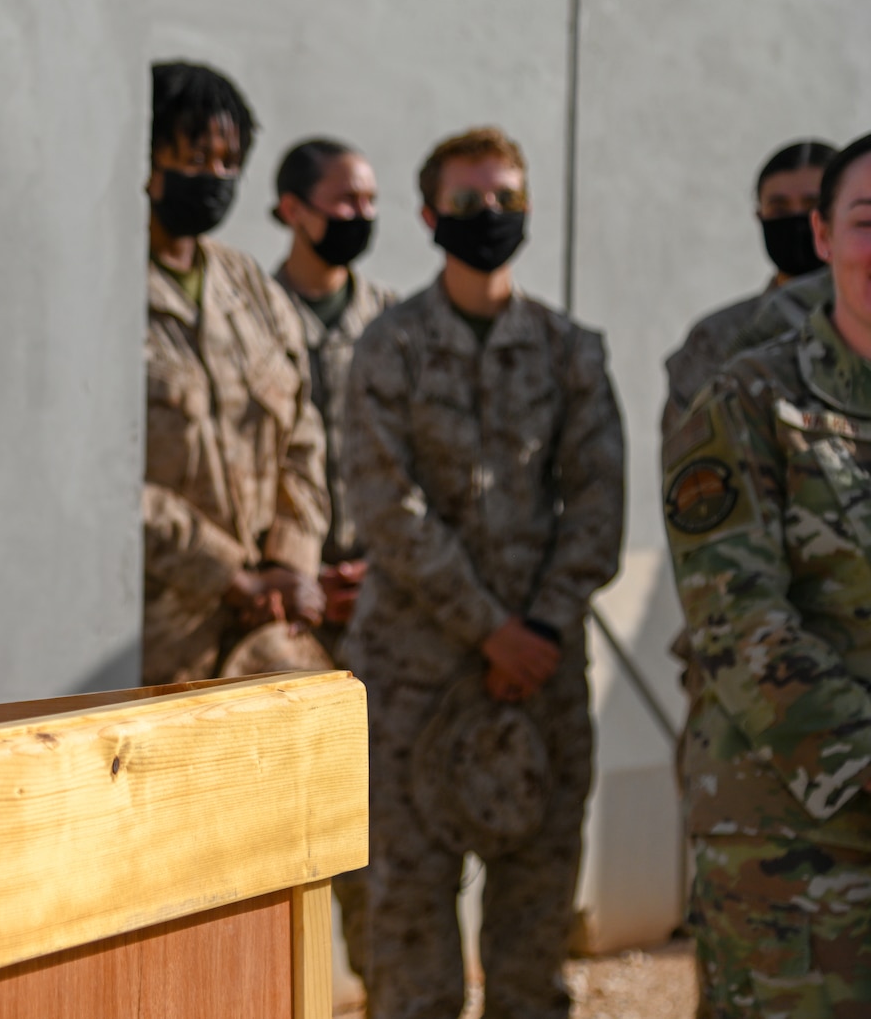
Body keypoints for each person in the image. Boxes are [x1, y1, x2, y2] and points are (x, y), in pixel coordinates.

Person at [344, 126, 623, 1019]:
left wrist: (536, 631)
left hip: (538, 688)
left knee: (530, 957)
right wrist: (487, 628)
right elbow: (386, 508)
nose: (490, 215)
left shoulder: (571, 352)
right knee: (412, 957)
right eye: (469, 201)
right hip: (413, 682)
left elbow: (597, 506)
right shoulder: (388, 347)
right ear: (429, 216)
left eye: (506, 197)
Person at [663, 130, 871, 1018]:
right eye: (868, 220)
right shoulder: (749, 399)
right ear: (823, 239)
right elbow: (740, 623)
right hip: (797, 846)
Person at [140, 61, 329, 686]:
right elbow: (105, 482)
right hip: (155, 642)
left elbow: (302, 434)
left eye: (229, 162)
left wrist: (289, 564)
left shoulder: (247, 285)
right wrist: (227, 575)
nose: (216, 177)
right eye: (196, 158)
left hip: (264, 635)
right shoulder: (104, 290)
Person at [269, 136, 398, 984]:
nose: (360, 217)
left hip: (384, 600)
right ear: (293, 208)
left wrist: (379, 572)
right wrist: (299, 573)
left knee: (382, 832)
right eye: (344, 200)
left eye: (369, 201)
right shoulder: (260, 309)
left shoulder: (392, 319)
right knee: (292, 830)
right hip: (283, 609)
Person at [662, 140, 836, 441]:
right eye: (779, 207)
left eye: (812, 205)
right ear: (760, 217)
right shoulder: (716, 338)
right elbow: (687, 456)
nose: (798, 220)